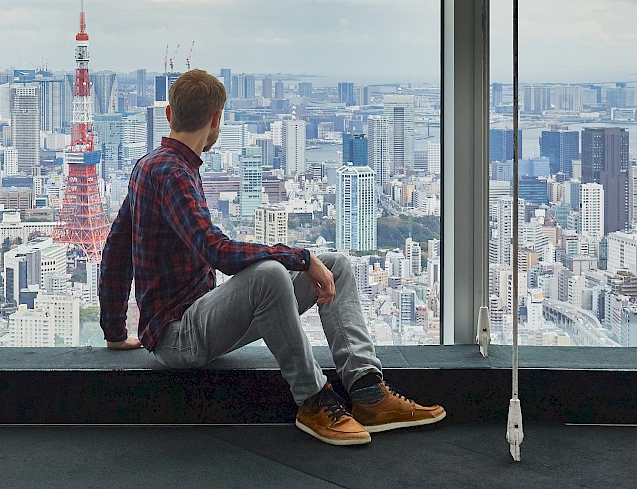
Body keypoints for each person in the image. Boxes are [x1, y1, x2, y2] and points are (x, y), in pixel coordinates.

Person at [98, 69, 445, 446]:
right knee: (270, 274)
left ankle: (368, 393)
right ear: (217, 120)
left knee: (337, 267)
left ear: (169, 114)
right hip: (179, 337)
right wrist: (299, 257)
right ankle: (312, 400)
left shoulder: (152, 166)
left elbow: (116, 250)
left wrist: (114, 331)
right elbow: (218, 251)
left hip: (204, 321)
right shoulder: (172, 173)